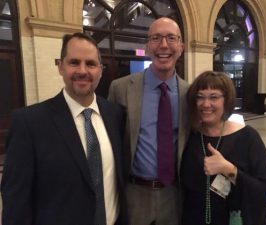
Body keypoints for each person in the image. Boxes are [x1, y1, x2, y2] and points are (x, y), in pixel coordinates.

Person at [1, 32, 127, 225]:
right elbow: (15, 200)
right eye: (74, 62)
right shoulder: (29, 122)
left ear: (100, 70)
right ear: (60, 66)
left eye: (91, 64)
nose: (83, 71)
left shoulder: (115, 115)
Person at [108, 17, 189, 225]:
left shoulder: (190, 94)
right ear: (147, 46)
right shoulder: (120, 88)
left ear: (181, 46)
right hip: (134, 193)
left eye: (171, 38)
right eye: (156, 38)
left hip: (174, 195)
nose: (164, 45)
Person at [180, 71, 266, 225]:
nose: (206, 104)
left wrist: (229, 169)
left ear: (227, 100)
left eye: (214, 97)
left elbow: (265, 188)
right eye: (200, 96)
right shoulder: (190, 136)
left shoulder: (247, 137)